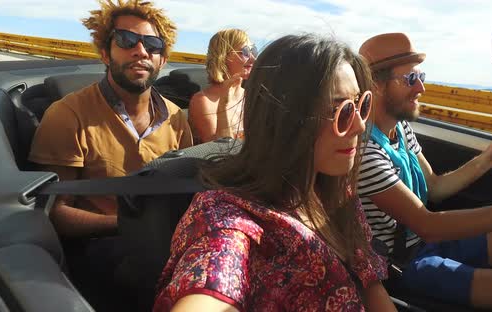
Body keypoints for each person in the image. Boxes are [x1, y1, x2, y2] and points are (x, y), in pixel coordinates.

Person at [154, 34, 396, 312]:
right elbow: (215, 276)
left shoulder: (337, 192)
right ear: (285, 119)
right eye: (340, 110)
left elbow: (370, 285)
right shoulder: (231, 222)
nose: (359, 127)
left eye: (361, 105)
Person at [358, 32, 492, 311]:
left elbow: (434, 187)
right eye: (410, 79)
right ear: (377, 85)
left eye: (421, 76)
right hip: (402, 263)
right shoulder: (364, 154)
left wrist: (488, 159)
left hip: (425, 242)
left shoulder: (399, 128)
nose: (421, 88)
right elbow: (428, 225)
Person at [29, 0, 192, 238]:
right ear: (105, 54)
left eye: (153, 44)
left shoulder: (176, 117)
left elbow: (185, 190)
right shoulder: (68, 114)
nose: (141, 51)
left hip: (167, 237)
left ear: (163, 60)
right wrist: (131, 226)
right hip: (101, 243)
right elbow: (53, 212)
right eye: (126, 40)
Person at [188, 29, 256, 143]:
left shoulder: (250, 96)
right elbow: (218, 150)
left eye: (253, 51)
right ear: (223, 56)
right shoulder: (203, 101)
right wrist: (223, 105)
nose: (253, 58)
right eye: (245, 52)